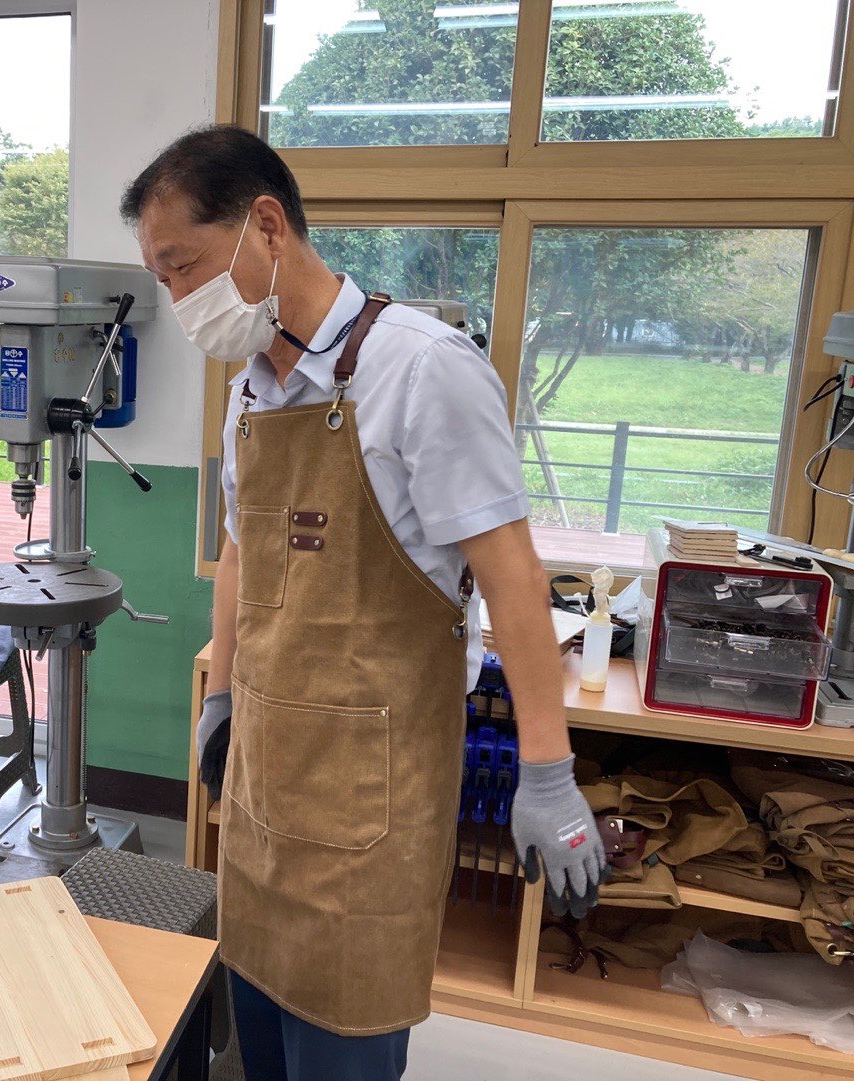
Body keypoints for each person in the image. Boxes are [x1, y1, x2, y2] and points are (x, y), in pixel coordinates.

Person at [121, 127, 606, 1080]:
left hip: (369, 817)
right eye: (164, 280)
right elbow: (238, 552)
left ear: (265, 226)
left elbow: (512, 575)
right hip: (263, 797)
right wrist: (220, 695)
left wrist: (546, 773)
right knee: (257, 1053)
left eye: (184, 268)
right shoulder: (251, 389)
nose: (179, 302)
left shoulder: (423, 369)